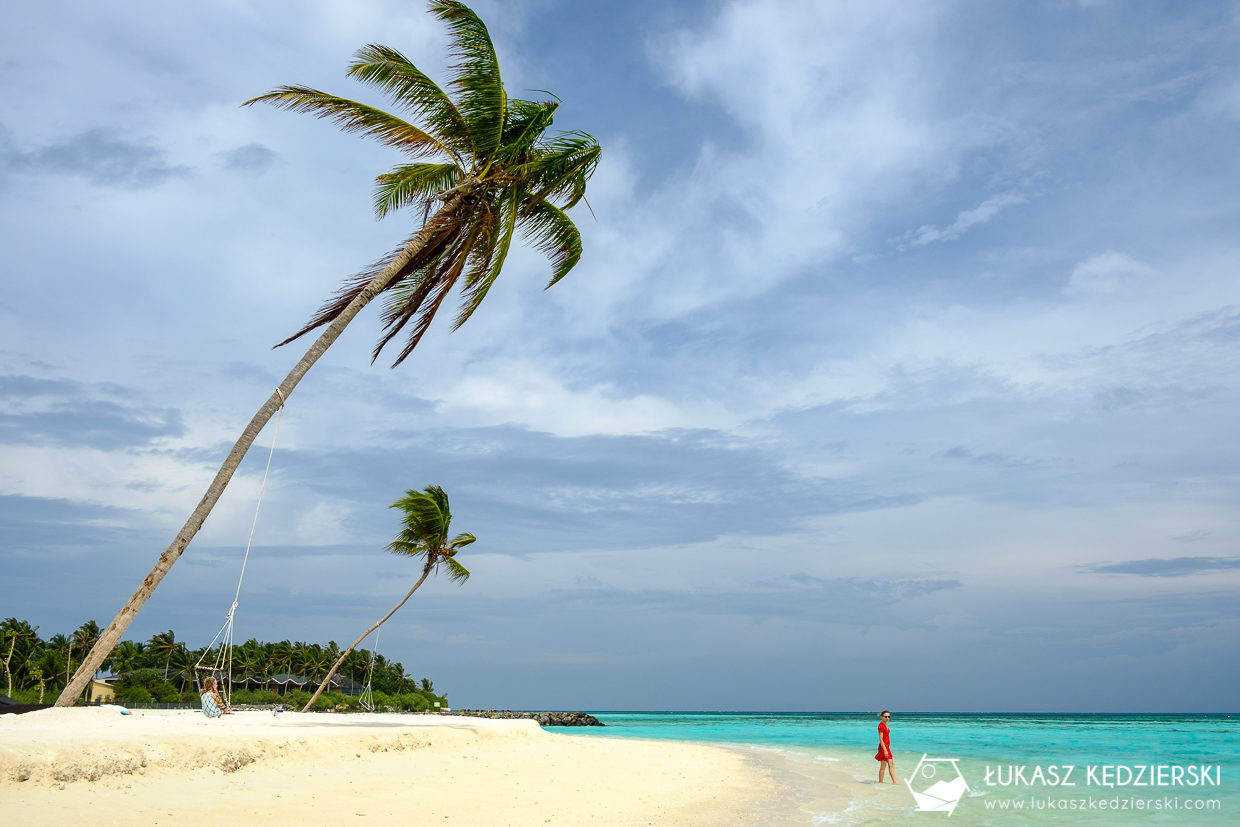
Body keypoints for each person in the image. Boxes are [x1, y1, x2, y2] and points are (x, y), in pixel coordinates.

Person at [875, 710, 897, 784]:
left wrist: (887, 749)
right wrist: (885, 750)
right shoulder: (881, 726)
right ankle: (880, 782)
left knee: (891, 764)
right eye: (886, 716)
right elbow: (881, 739)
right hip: (883, 748)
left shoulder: (886, 724)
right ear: (882, 717)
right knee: (883, 766)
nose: (887, 718)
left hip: (887, 748)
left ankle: (895, 782)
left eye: (888, 716)